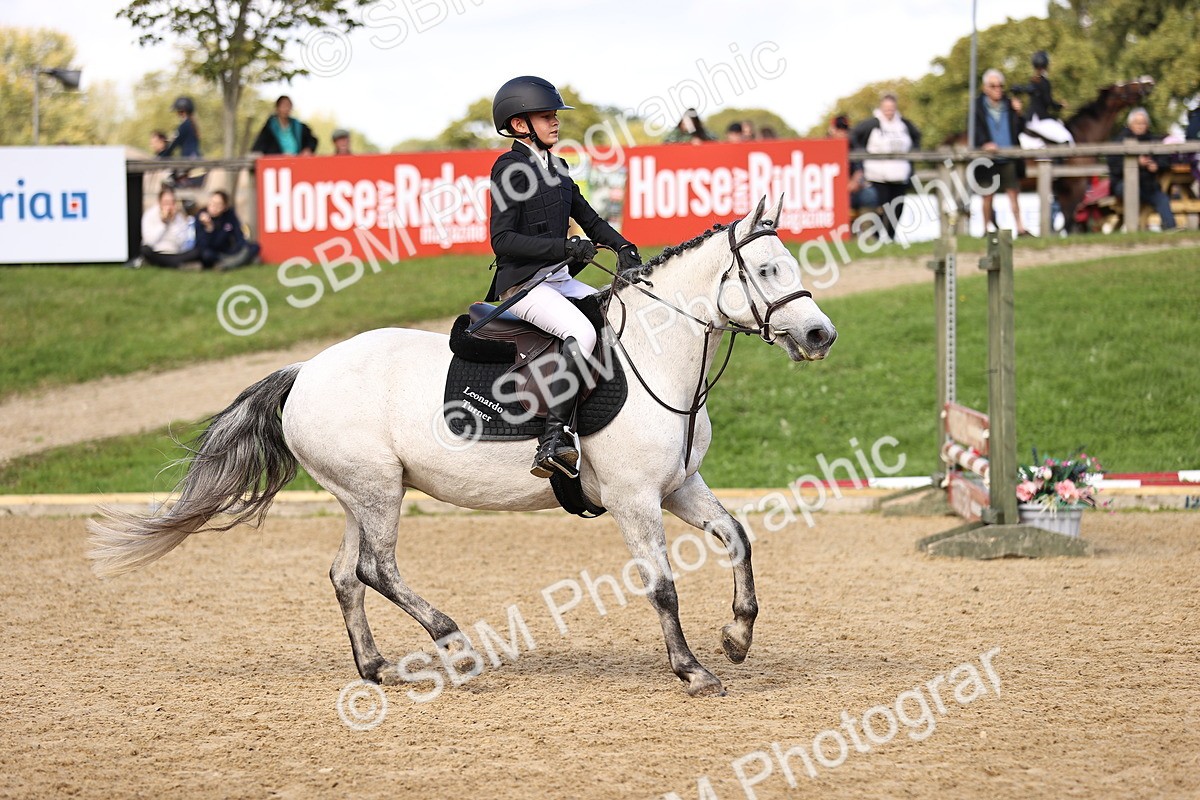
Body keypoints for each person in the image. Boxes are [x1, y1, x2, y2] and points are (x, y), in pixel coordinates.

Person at [488, 75, 643, 479]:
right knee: (583, 332)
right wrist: (564, 248)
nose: (555, 123)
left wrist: (623, 246)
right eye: (546, 116)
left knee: (619, 315)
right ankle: (552, 440)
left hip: (557, 280)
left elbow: (588, 218)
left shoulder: (556, 166)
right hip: (522, 286)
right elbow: (502, 240)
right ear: (520, 125)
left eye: (555, 116)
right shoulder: (509, 168)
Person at [851, 93, 921, 241]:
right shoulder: (871, 124)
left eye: (892, 108)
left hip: (900, 176)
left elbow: (917, 137)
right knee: (879, 208)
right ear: (881, 107)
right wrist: (861, 158)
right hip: (877, 176)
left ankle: (891, 236)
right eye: (886, 108)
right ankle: (876, 237)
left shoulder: (904, 125)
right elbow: (854, 137)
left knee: (897, 208)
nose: (889, 111)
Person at [972, 69, 1030, 236]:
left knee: (1013, 193)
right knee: (987, 195)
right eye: (993, 86)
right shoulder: (977, 107)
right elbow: (975, 129)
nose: (998, 89)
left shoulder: (1010, 105)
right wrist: (984, 143)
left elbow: (1021, 128)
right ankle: (986, 229)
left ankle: (1020, 228)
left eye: (1000, 86)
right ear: (985, 88)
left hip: (1008, 156)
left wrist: (1019, 113)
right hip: (988, 158)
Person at [1107, 108, 1177, 231]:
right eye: (1137, 123)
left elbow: (1165, 160)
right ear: (1130, 124)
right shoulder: (1119, 141)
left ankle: (1171, 228)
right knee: (1131, 189)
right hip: (1123, 184)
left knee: (1162, 198)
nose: (1140, 126)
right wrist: (1136, 162)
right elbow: (1114, 165)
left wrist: (1156, 165)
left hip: (1147, 185)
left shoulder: (1153, 140)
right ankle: (1133, 228)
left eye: (1143, 123)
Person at [1012, 50, 1074, 146]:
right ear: (1046, 65)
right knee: (1066, 137)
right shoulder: (1044, 82)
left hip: (1030, 119)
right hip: (1041, 120)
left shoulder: (1033, 80)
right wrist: (1060, 105)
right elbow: (1048, 102)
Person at [134, 187, 200, 269]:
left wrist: (173, 222)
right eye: (166, 203)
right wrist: (163, 223)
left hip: (174, 253)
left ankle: (166, 263)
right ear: (159, 202)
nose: (169, 207)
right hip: (157, 251)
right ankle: (176, 265)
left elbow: (183, 243)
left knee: (196, 252)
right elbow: (149, 241)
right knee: (145, 250)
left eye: (172, 203)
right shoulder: (150, 215)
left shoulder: (179, 218)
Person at [194, 190, 261, 269]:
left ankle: (231, 263)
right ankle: (240, 261)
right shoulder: (202, 217)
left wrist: (243, 247)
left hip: (228, 250)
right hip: (214, 253)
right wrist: (209, 228)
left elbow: (238, 234)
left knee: (254, 247)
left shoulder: (229, 215)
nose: (214, 207)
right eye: (212, 203)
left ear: (224, 207)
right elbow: (203, 245)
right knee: (206, 255)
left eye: (218, 204)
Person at [830, 114, 877, 213]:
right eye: (839, 129)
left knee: (870, 195)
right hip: (831, 192)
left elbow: (859, 170)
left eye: (845, 130)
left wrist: (854, 183)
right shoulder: (823, 147)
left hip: (850, 191)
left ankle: (866, 228)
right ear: (832, 130)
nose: (842, 133)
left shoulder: (853, 146)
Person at [251, 95, 318, 155]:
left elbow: (312, 140)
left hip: (297, 160)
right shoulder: (269, 128)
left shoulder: (298, 126)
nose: (286, 109)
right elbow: (259, 147)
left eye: (288, 106)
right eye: (283, 106)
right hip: (278, 163)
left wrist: (308, 149)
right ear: (277, 108)